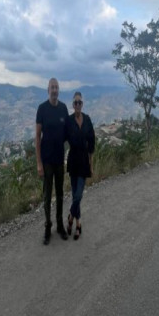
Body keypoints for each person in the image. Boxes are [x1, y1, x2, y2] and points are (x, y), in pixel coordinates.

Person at [35, 78, 70, 244]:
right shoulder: (42, 109)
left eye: (56, 87)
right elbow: (37, 136)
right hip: (47, 160)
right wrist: (39, 163)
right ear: (48, 90)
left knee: (60, 194)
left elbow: (68, 132)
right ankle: (48, 227)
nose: (55, 90)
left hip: (59, 159)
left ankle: (60, 225)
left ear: (58, 90)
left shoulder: (63, 108)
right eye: (52, 87)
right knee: (47, 197)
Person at [65, 91, 95, 240]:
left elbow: (92, 144)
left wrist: (91, 164)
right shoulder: (69, 121)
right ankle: (78, 225)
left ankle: (70, 217)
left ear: (82, 104)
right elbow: (62, 138)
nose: (77, 104)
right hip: (73, 162)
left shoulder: (87, 120)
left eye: (80, 102)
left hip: (83, 162)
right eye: (75, 102)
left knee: (78, 195)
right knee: (75, 195)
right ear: (73, 105)